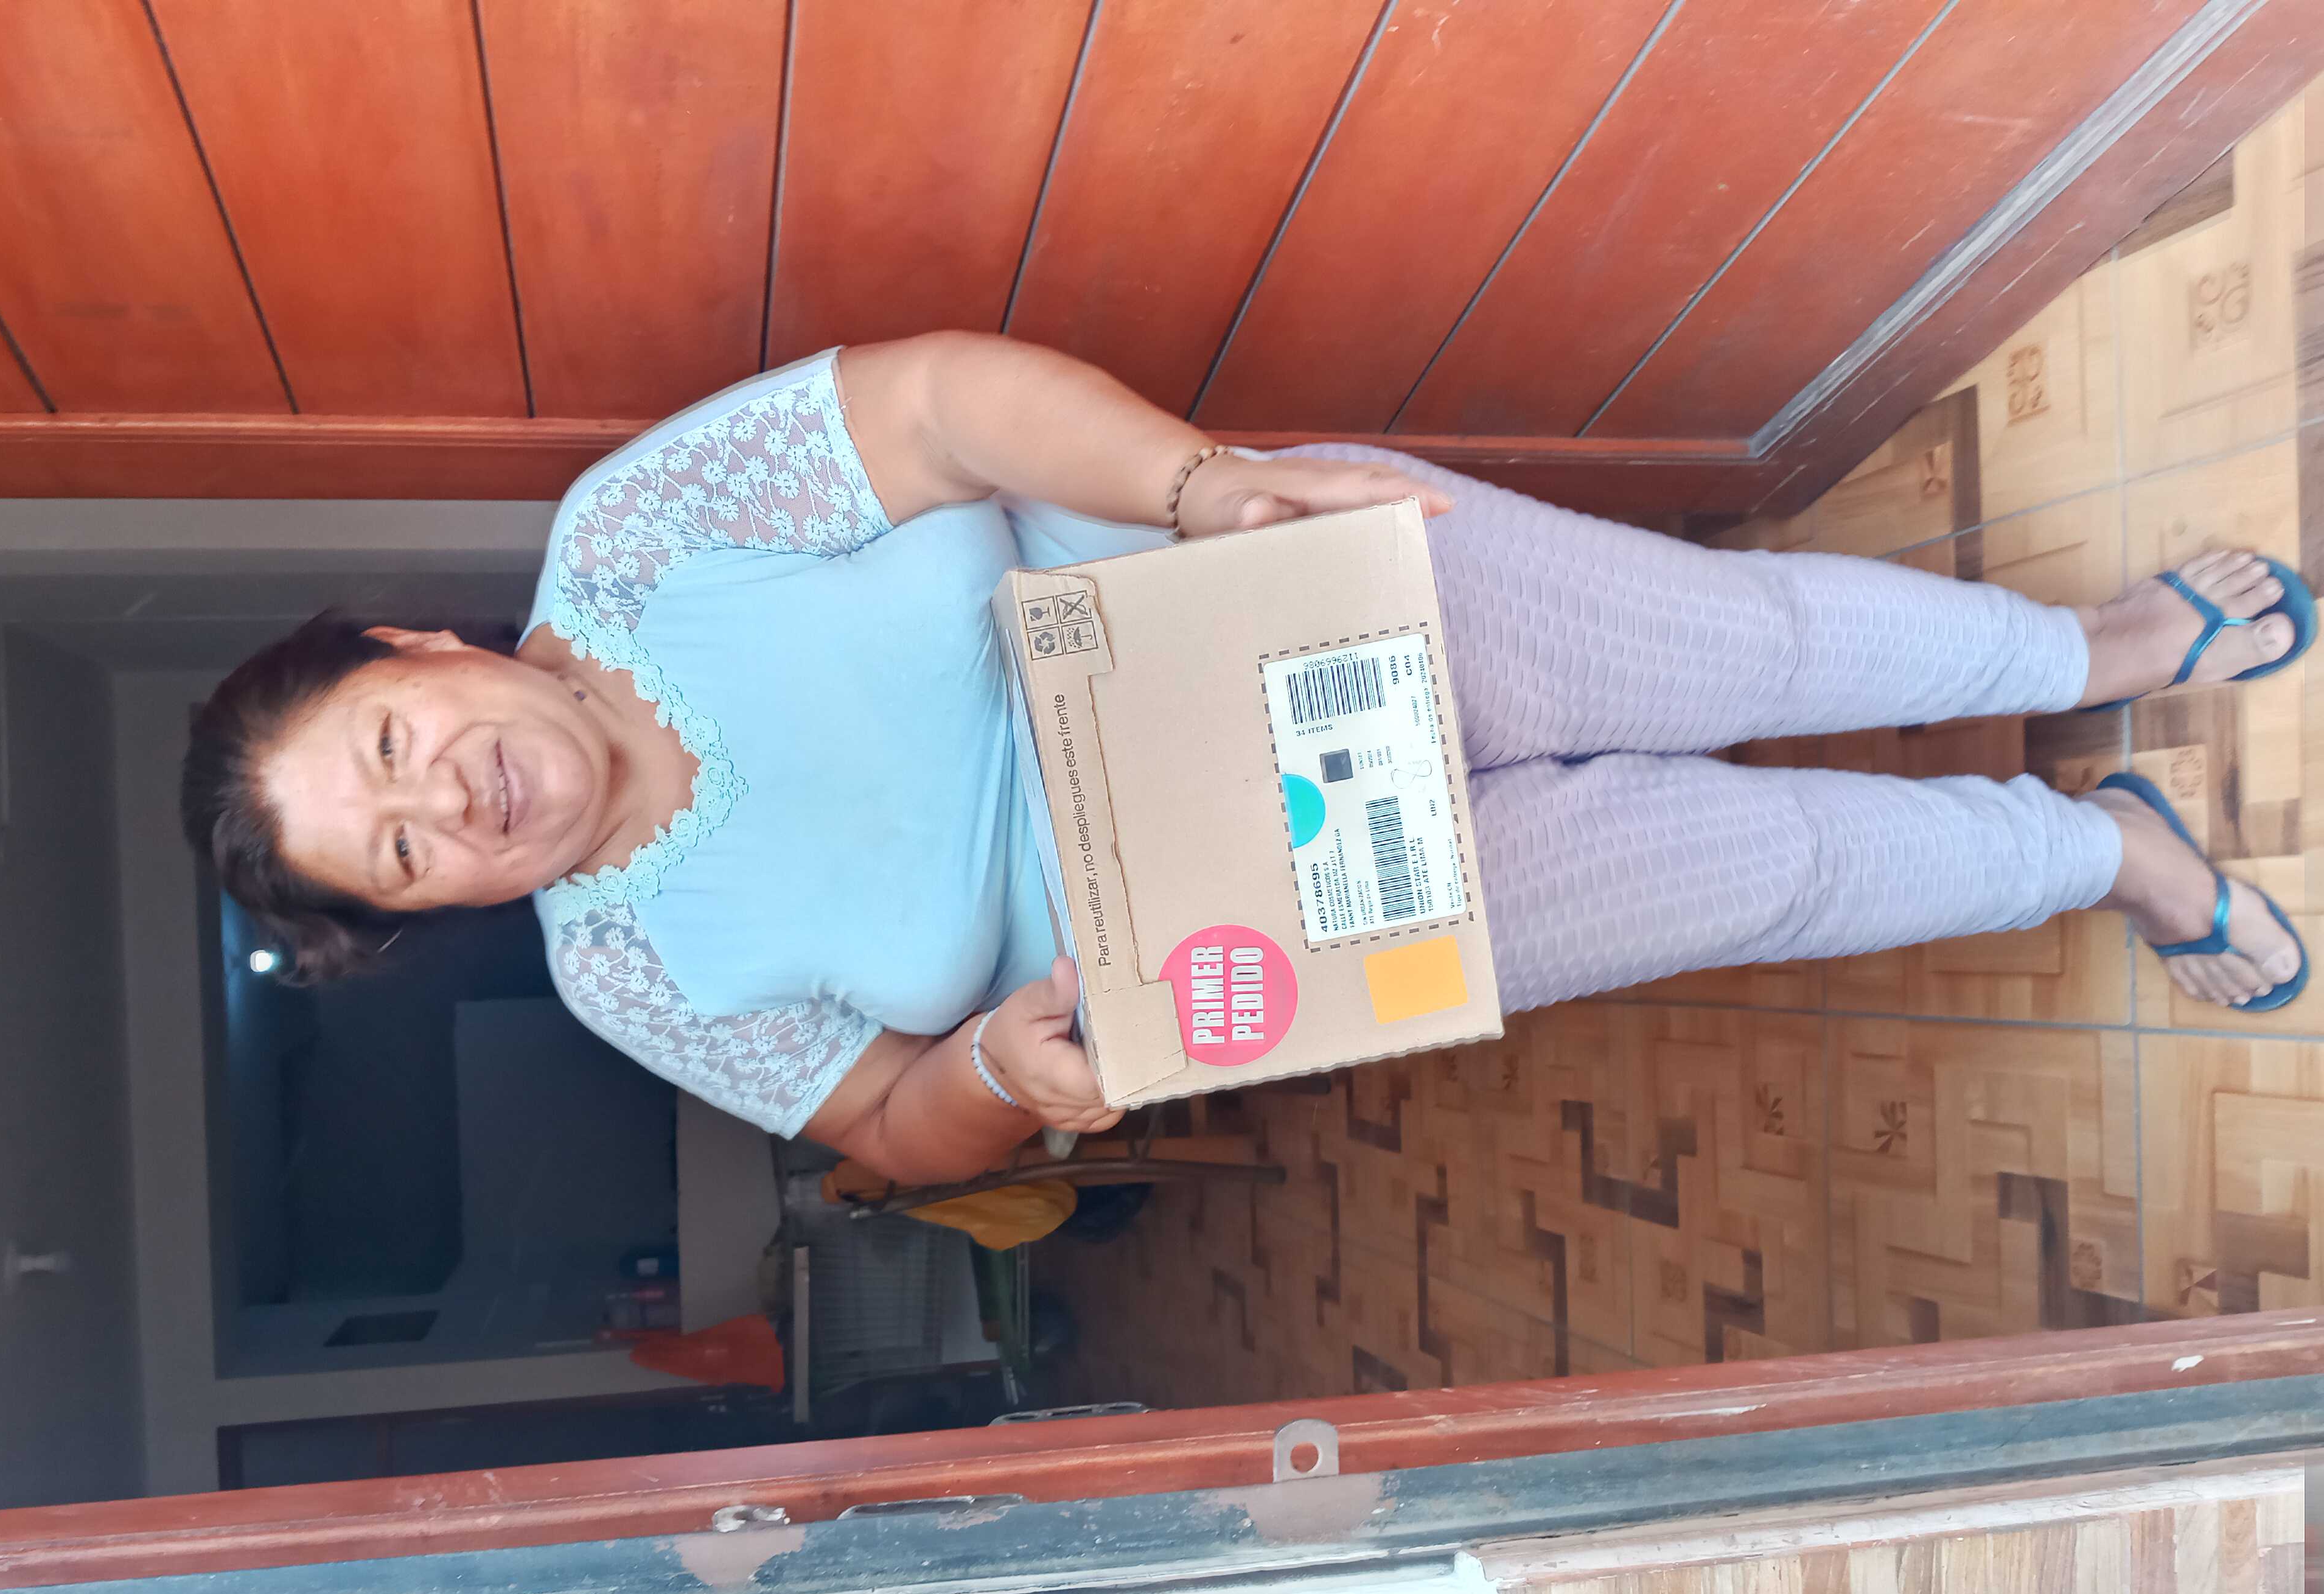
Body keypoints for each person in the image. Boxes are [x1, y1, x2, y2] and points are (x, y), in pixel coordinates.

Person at [182, 334, 2312, 1185]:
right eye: (400, 855)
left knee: (1735, 647)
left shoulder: (638, 538)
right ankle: (2099, 852)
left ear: (412, 648)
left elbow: (933, 408)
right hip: (1286, 922)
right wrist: (999, 1076)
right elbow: (891, 1130)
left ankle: (2102, 647)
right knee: (1749, 873)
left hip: (1278, 589)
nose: (447, 803)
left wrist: (1206, 487)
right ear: (440, 909)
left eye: (394, 746)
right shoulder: (628, 974)